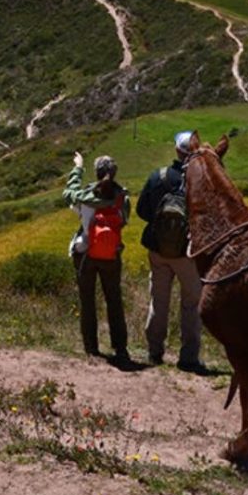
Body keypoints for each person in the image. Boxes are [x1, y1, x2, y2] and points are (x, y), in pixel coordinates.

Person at [136, 130, 206, 373]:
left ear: (177, 151)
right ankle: (189, 357)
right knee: (191, 303)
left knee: (159, 299)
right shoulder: (199, 182)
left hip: (157, 249)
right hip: (187, 253)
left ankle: (154, 352)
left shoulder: (159, 176)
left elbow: (142, 211)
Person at [63, 150, 131, 365]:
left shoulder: (85, 196)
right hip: (112, 254)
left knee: (87, 300)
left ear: (96, 173)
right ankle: (120, 348)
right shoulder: (123, 198)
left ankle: (91, 348)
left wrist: (77, 168)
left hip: (86, 254)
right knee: (114, 300)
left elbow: (69, 193)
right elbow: (124, 221)